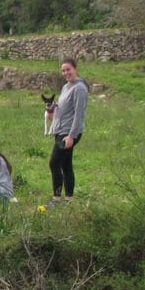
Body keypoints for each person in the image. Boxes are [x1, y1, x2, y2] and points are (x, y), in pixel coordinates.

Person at [49, 57, 89, 205]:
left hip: (69, 132)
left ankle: (56, 198)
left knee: (54, 163)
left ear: (75, 69)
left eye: (68, 69)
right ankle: (69, 198)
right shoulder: (66, 87)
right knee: (66, 165)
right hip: (60, 130)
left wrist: (72, 136)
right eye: (63, 70)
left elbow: (79, 114)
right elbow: (63, 108)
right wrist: (53, 114)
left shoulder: (80, 88)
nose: (66, 73)